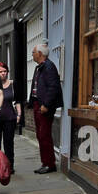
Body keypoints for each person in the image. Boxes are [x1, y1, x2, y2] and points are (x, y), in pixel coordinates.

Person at [27, 42, 62, 174]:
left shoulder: (49, 67)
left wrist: (46, 105)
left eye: (33, 52)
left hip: (44, 106)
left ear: (40, 54)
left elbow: (53, 87)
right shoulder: (39, 67)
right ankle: (45, 162)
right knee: (40, 135)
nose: (32, 55)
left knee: (44, 135)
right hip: (38, 104)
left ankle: (49, 164)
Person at [0, 60, 20, 169]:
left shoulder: (12, 84)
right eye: (0, 72)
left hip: (10, 118)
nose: (3, 73)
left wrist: (19, 115)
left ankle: (10, 166)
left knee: (9, 143)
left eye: (5, 71)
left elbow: (17, 101)